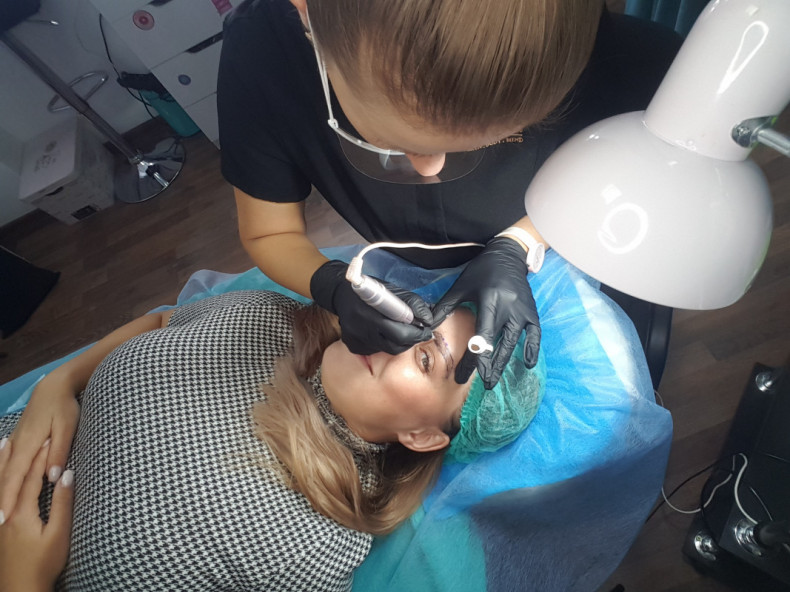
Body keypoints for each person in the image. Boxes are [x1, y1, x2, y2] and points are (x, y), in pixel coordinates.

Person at [217, 0, 682, 388]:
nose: (431, 169)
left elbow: (626, 166)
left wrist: (522, 240)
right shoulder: (262, 56)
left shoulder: (624, 58)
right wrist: (330, 286)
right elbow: (269, 232)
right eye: (391, 144)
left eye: (486, 141)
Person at [0, 289, 543, 590]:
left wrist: (22, 581)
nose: (392, 337)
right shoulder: (269, 314)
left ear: (421, 435)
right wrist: (58, 384)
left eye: (425, 359)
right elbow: (162, 320)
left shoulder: (312, 549)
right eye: (414, 320)